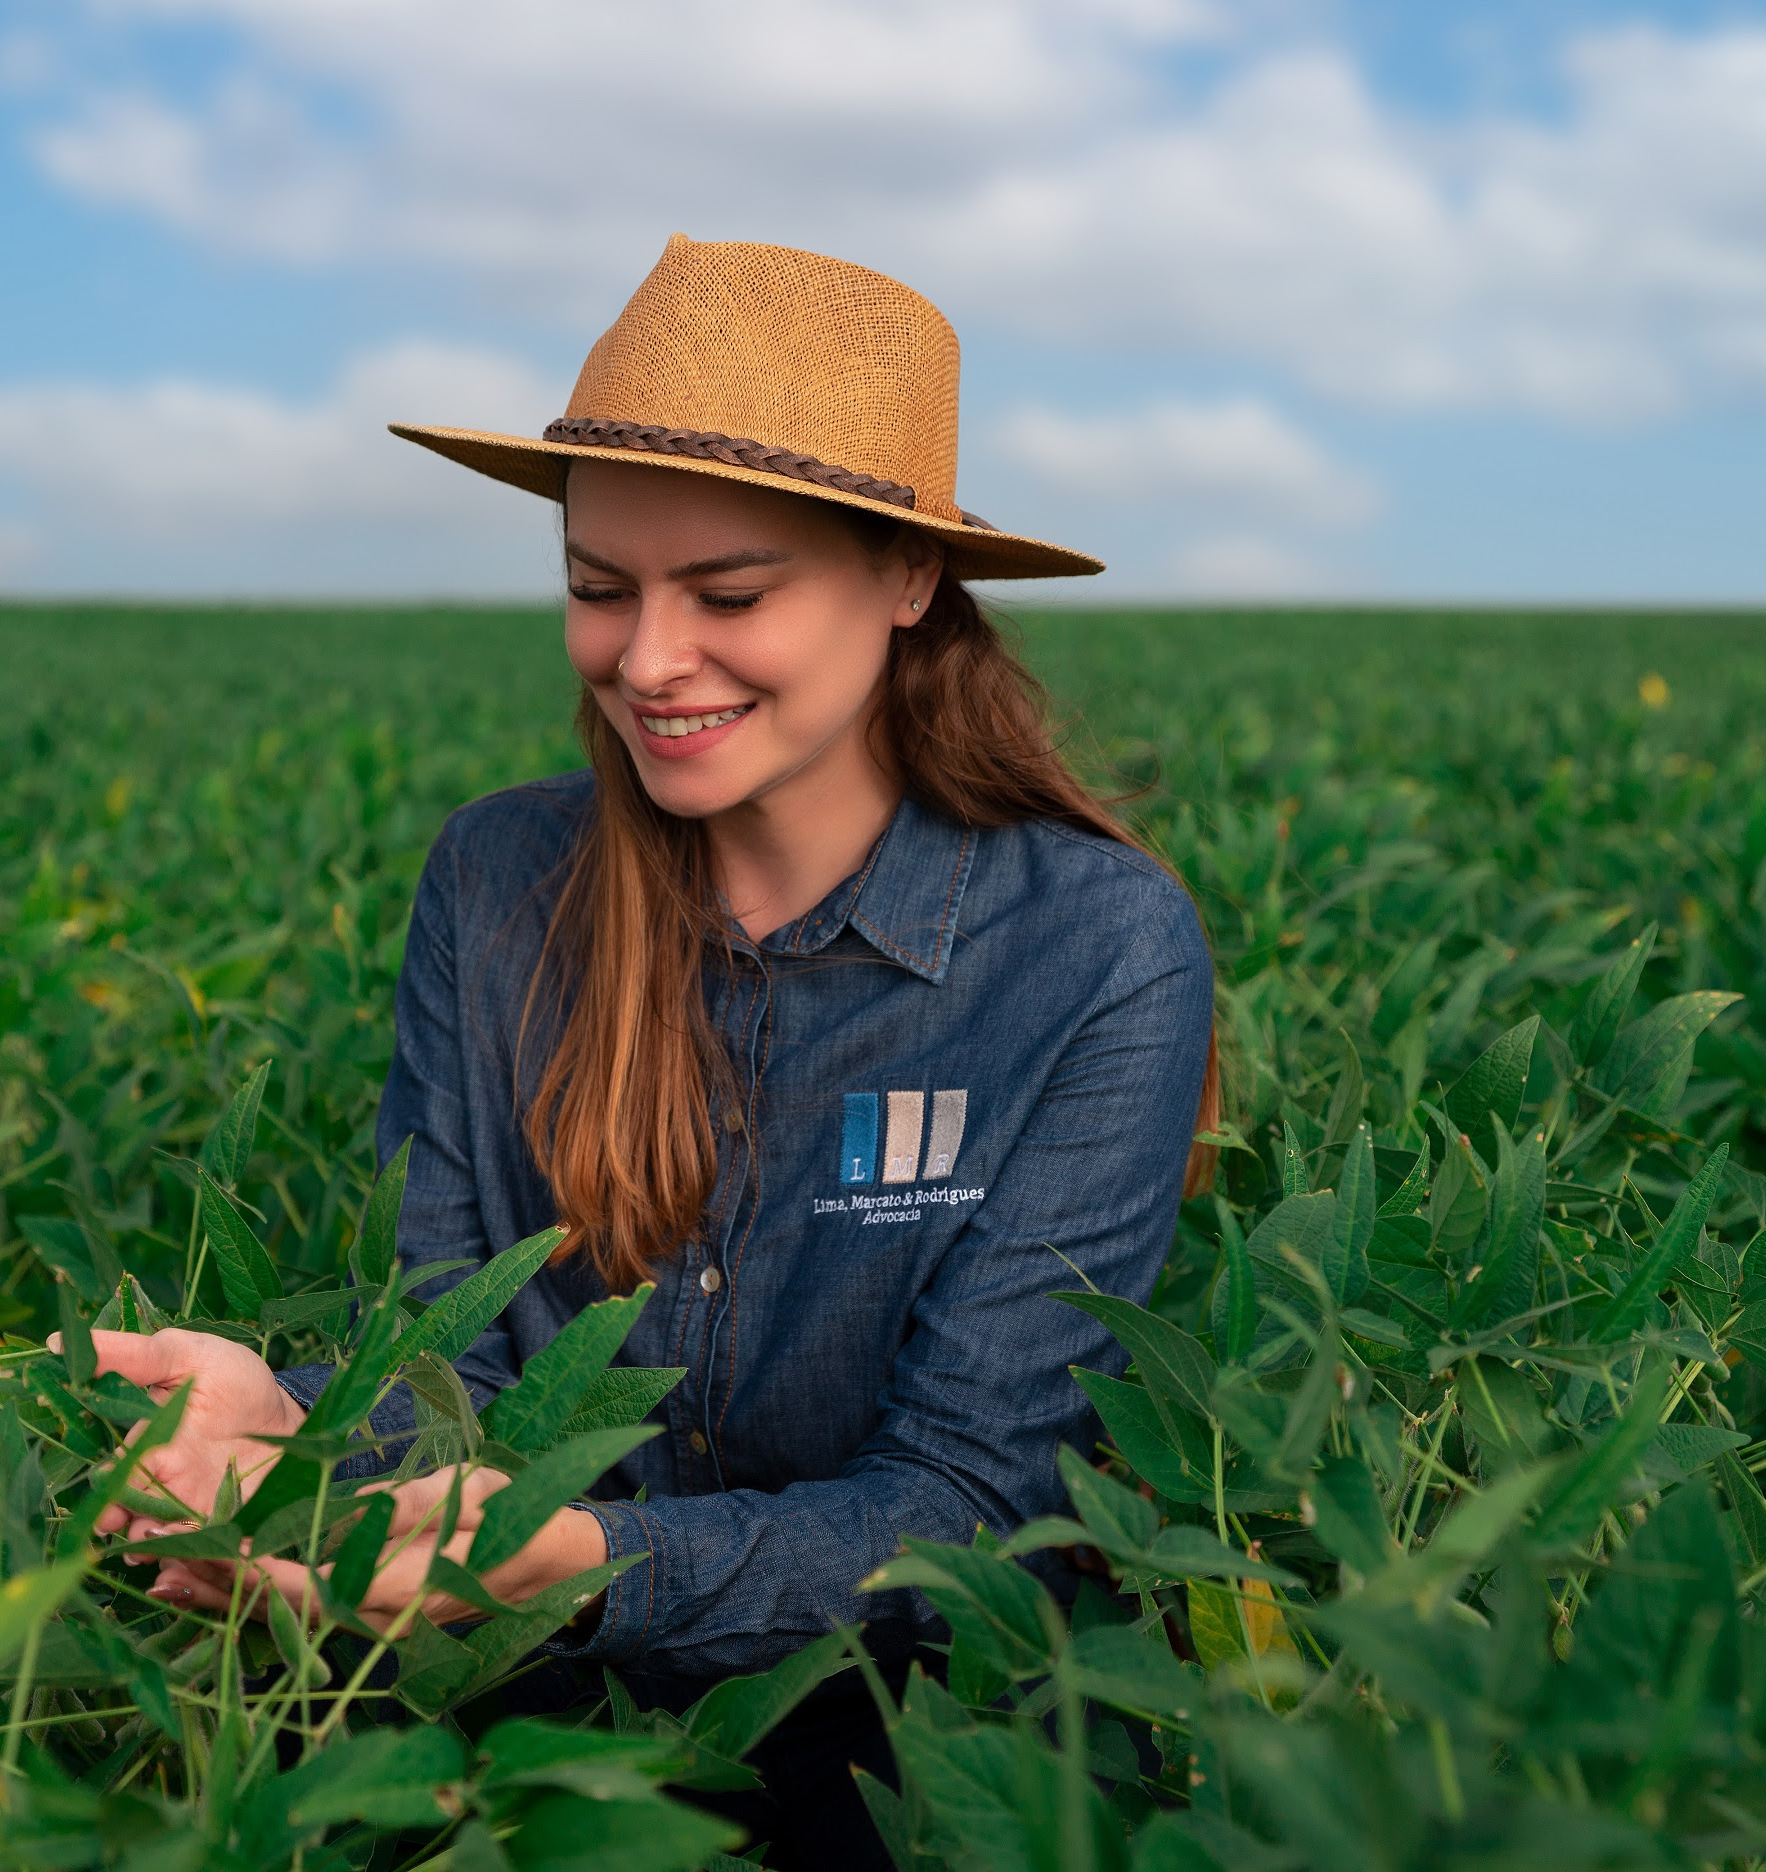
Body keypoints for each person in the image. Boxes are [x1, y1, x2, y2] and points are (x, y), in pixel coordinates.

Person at [73, 236, 1218, 1868]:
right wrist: (291, 1426)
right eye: (599, 590)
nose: (650, 661)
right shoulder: (496, 884)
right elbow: (465, 1369)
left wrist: (599, 1558)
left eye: (731, 594)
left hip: (917, 1745)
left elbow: (977, 1509)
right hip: (513, 1721)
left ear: (909, 580)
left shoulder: (1096, 947)